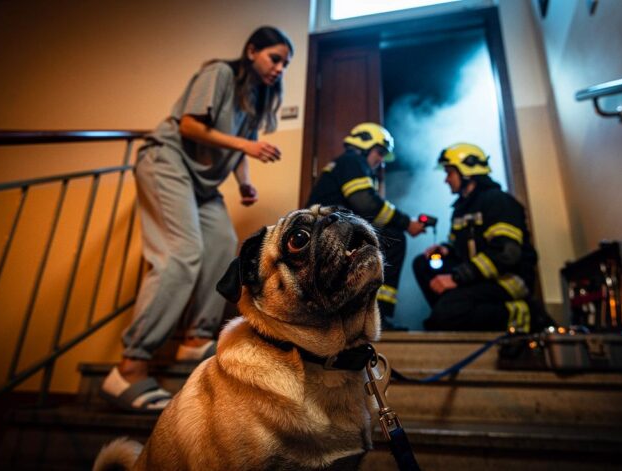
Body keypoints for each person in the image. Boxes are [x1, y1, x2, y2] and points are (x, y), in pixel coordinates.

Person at [100, 26, 294, 412]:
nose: (280, 68)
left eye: (286, 63)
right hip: (167, 162)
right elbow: (189, 125)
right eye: (275, 58)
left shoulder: (256, 97)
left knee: (223, 247)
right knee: (182, 254)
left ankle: (195, 340)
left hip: (203, 183)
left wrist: (244, 184)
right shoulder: (221, 73)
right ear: (252, 50)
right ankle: (131, 365)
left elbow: (238, 149)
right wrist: (248, 146)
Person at [306, 122, 426, 330]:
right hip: (332, 232)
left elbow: (364, 211)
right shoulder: (353, 162)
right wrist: (406, 223)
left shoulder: (345, 164)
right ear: (363, 144)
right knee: (395, 239)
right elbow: (365, 203)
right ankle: (379, 318)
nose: (380, 160)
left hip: (329, 232)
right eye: (379, 152)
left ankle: (363, 317)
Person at [413, 143, 543, 332]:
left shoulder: (497, 201)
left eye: (449, 173)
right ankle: (457, 309)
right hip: (478, 277)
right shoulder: (461, 208)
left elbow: (507, 254)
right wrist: (446, 249)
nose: (446, 180)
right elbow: (459, 245)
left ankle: (524, 314)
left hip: (507, 279)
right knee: (422, 264)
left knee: (443, 317)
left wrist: (457, 278)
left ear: (467, 172)